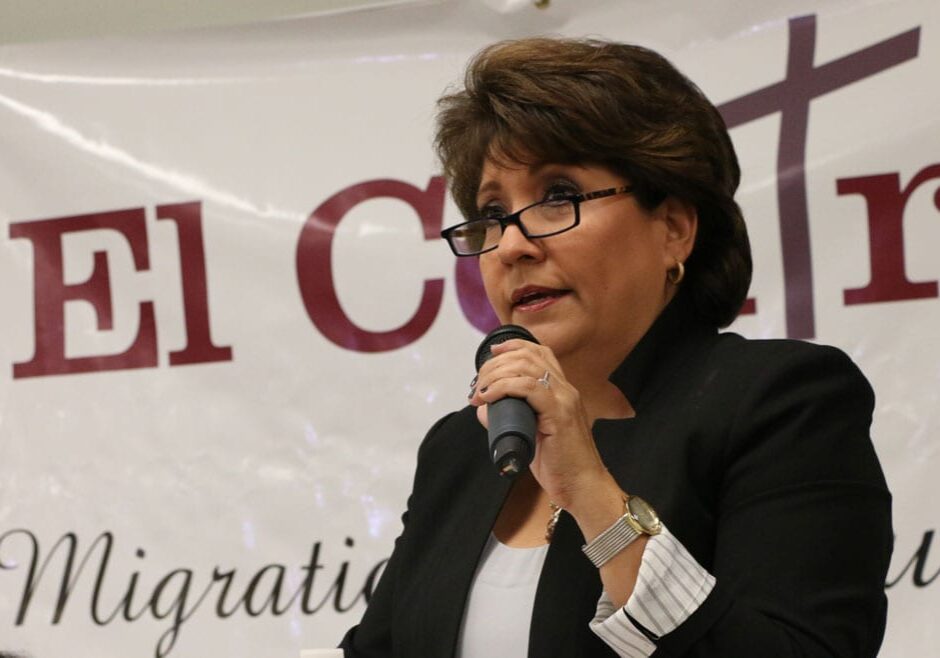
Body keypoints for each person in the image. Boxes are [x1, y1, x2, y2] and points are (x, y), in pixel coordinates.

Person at [340, 37, 892, 657]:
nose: (512, 245)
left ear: (674, 229)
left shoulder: (781, 404)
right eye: (492, 212)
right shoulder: (461, 448)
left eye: (558, 196)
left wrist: (588, 489)